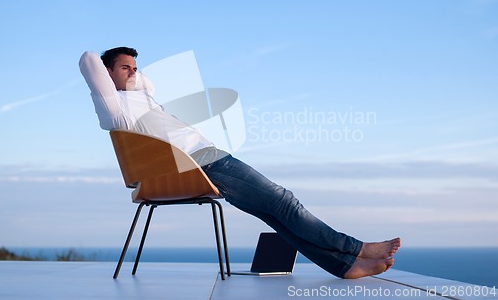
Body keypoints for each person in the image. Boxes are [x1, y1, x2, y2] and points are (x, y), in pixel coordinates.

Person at [79, 47, 401, 279]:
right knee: (284, 201)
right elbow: (89, 59)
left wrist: (131, 72)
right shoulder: (114, 107)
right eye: (125, 68)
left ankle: (342, 266)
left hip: (205, 159)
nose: (135, 72)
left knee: (274, 213)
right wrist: (114, 70)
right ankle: (356, 248)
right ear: (107, 76)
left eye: (136, 67)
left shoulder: (141, 98)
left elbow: (145, 83)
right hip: (201, 163)